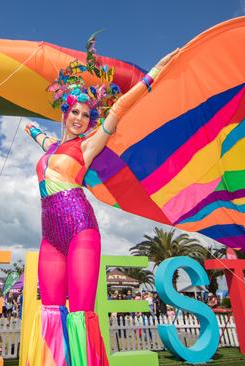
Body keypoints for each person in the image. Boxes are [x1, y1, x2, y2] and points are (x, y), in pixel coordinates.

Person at [24, 35, 178, 366]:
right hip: (50, 236)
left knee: (81, 310)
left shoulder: (89, 145)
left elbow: (120, 108)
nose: (79, 118)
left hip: (80, 229)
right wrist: (30, 130)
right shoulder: (52, 147)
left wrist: (153, 75)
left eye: (85, 114)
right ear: (65, 113)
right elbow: (40, 137)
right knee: (51, 309)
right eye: (74, 112)